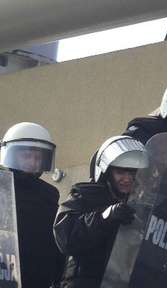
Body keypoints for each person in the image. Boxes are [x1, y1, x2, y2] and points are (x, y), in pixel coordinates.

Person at [54, 135, 149, 288]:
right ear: (106, 172)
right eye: (121, 172)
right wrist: (105, 217)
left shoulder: (143, 204)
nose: (127, 178)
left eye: (133, 172)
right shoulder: (85, 195)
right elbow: (66, 237)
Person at [0, 122, 65, 288]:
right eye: (27, 156)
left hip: (38, 275)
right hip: (6, 272)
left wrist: (58, 275)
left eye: (38, 157)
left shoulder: (49, 193)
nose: (33, 161)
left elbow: (54, 236)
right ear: (12, 154)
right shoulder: (2, 186)